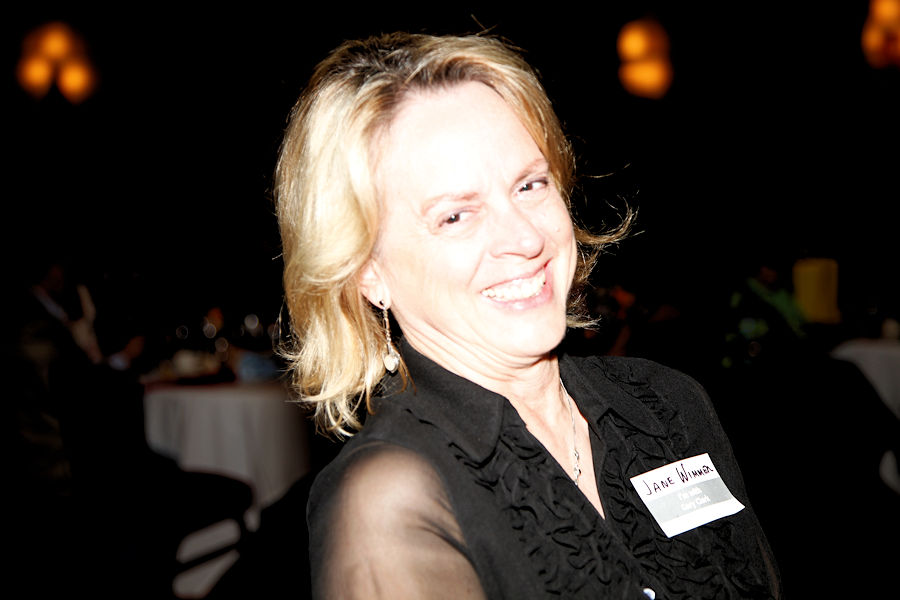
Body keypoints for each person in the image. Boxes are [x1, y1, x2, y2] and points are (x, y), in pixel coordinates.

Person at [275, 32, 781, 599]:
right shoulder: (392, 501)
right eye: (455, 216)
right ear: (367, 271)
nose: (524, 238)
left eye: (529, 184)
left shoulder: (667, 405)